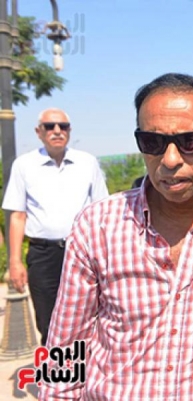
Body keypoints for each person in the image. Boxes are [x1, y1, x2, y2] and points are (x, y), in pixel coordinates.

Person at [40, 73, 193, 400]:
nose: (171, 160)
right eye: (153, 143)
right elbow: (64, 346)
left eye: (191, 141)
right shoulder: (98, 225)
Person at [1, 108, 108, 346]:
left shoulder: (87, 163)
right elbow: (17, 216)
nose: (57, 131)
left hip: (83, 253)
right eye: (50, 126)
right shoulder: (24, 165)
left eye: (63, 126)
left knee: (89, 318)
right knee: (48, 322)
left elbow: (101, 211)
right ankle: (55, 369)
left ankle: (85, 368)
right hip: (43, 256)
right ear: (39, 132)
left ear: (69, 130)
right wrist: (14, 262)